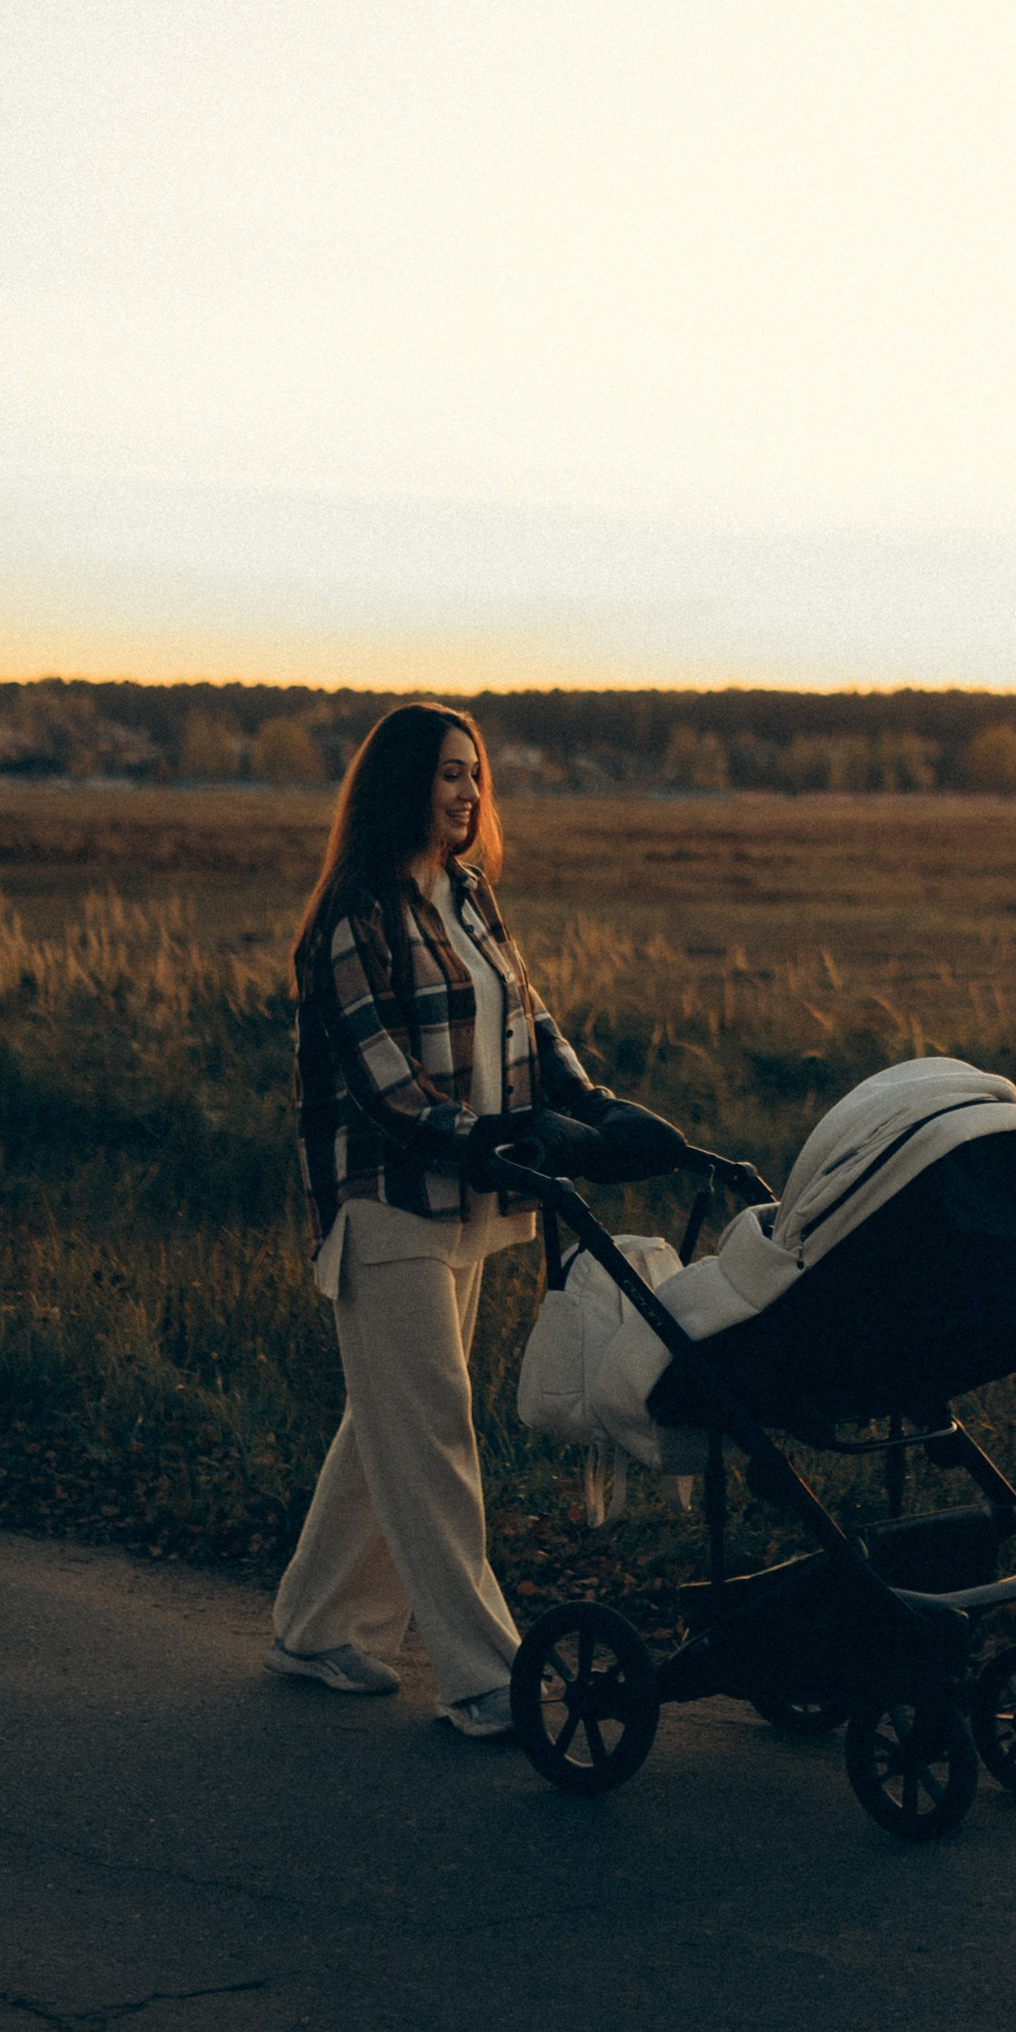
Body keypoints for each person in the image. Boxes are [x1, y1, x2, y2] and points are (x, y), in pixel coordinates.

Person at [265, 700, 690, 1738]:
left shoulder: (466, 895)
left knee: (391, 1421)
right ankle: (481, 1675)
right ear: (400, 785)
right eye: (447, 774)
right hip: (386, 1203)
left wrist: (595, 1108)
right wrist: (496, 1135)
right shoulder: (351, 918)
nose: (465, 793)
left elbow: (530, 1020)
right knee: (433, 1431)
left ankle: (315, 1624)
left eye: (475, 775)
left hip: (469, 1196)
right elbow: (388, 1089)